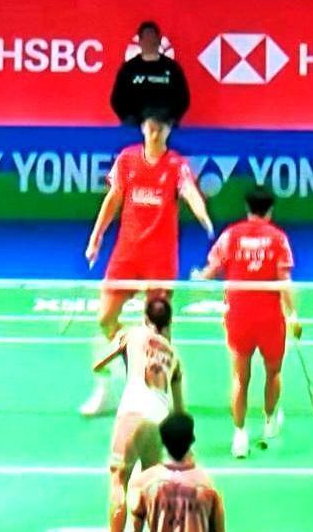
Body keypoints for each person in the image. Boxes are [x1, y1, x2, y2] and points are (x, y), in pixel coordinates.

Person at [82, 109, 214, 417]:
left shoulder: (176, 165)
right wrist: (96, 238)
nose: (154, 134)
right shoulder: (127, 159)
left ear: (168, 131)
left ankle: (160, 393)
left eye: (160, 129)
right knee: (105, 318)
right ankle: (110, 385)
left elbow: (189, 192)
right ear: (142, 128)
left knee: (160, 332)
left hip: (160, 260)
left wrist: (203, 215)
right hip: (126, 255)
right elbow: (113, 199)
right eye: (150, 128)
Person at [193, 188, 300, 458]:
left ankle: (239, 436)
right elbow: (284, 281)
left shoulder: (231, 235)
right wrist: (294, 315)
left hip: (239, 316)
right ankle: (269, 422)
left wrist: (199, 277)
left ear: (247, 208)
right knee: (273, 373)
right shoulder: (278, 238)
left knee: (240, 378)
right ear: (270, 210)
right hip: (270, 319)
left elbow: (212, 270)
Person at [96, 297, 185, 532]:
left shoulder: (133, 334)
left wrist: (113, 365)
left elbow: (98, 364)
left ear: (145, 318)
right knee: (149, 488)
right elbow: (179, 412)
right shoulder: (175, 357)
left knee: (118, 479)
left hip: (132, 412)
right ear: (169, 323)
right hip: (159, 420)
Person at [128, 411, 226, 532]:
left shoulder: (144, 484)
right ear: (192, 439)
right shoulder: (208, 486)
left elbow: (134, 527)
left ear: (163, 441)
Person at [111, 21, 191, 125]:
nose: (149, 41)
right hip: (135, 124)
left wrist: (171, 118)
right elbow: (117, 99)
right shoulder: (128, 68)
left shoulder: (172, 68)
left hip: (165, 123)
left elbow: (183, 98)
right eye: (146, 37)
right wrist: (130, 118)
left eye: (152, 37)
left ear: (159, 40)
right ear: (140, 41)